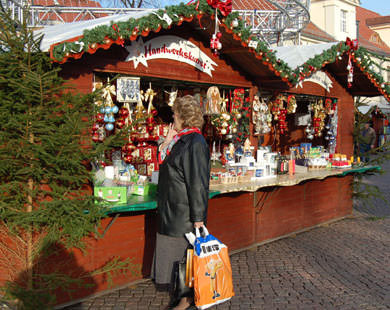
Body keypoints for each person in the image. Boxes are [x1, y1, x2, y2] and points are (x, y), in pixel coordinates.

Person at [152, 95, 210, 310]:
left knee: (185, 261)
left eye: (176, 114)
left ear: (184, 117)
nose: (173, 117)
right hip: (172, 210)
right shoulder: (180, 139)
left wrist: (198, 218)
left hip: (183, 214)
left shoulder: (195, 142)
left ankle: (186, 302)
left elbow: (197, 183)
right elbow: (167, 167)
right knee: (179, 261)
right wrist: (166, 143)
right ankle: (182, 299)